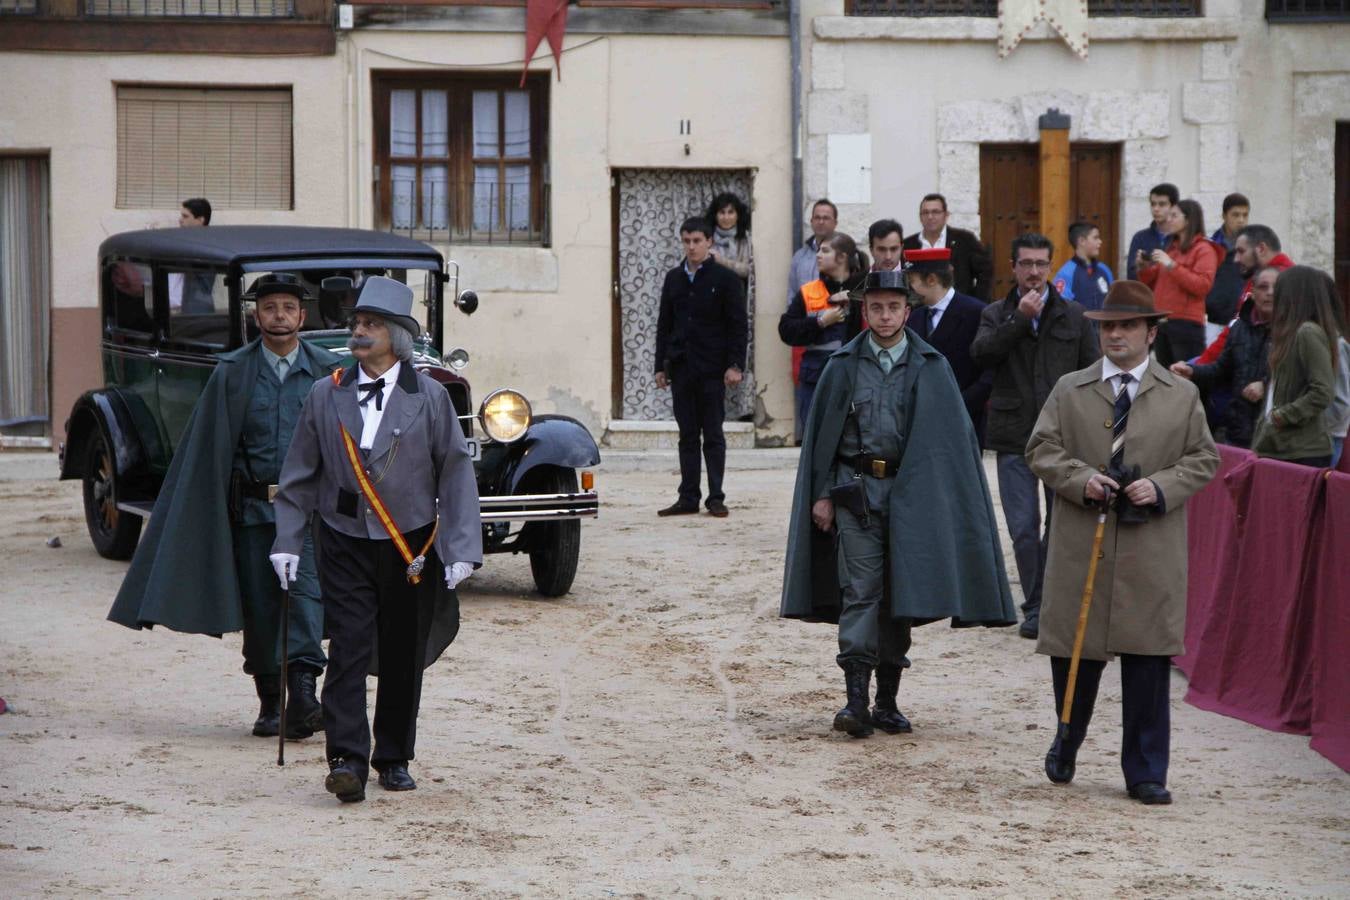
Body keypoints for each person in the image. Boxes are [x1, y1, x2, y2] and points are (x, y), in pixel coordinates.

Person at [271, 276, 481, 803]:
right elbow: (299, 475)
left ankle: (393, 757)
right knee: (347, 646)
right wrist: (288, 542)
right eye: (357, 324)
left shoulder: (430, 396)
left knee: (401, 652)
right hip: (342, 536)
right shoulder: (327, 391)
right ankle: (346, 758)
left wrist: (461, 548)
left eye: (371, 325)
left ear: (398, 336)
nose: (360, 333)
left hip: (408, 544)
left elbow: (455, 472)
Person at [779, 268, 1015, 738]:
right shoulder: (843, 366)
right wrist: (824, 495)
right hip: (857, 493)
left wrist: (938, 502)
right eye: (875, 307)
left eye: (893, 307)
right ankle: (855, 702)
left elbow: (949, 444)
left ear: (908, 311)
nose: (884, 316)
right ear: (863, 311)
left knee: (898, 597)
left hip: (914, 498)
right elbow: (824, 441)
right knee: (860, 591)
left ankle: (888, 700)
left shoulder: (933, 366)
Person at [109, 273, 344, 741]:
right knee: (260, 604)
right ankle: (270, 702)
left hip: (310, 514)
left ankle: (304, 697)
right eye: (270, 307)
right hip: (253, 511)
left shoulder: (329, 372)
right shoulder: (232, 372)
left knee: (305, 599)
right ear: (254, 315)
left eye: (288, 307)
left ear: (303, 315)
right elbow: (210, 449)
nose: (279, 315)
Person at [1028, 280, 1219, 806]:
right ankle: (1067, 738)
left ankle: (1146, 771)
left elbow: (1203, 459)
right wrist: (1079, 478)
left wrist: (1161, 487)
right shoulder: (1070, 388)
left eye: (1127, 326)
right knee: (1075, 651)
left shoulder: (1182, 395)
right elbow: (1040, 448)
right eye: (1108, 326)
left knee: (1148, 659)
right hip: (1081, 539)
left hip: (1150, 545)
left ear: (1151, 332)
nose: (1115, 334)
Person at [970, 233, 1100, 639]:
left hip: (1062, 436)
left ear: (1050, 266)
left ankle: (1048, 605)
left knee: (1058, 527)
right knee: (1023, 528)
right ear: (1013, 267)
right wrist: (1019, 320)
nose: (1033, 272)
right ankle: (1035, 605)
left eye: (1041, 264)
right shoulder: (996, 313)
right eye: (1025, 264)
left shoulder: (1074, 315)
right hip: (1014, 435)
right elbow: (981, 355)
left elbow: (1092, 373)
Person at [655, 217, 748, 517]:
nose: (691, 246)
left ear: (709, 242)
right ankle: (688, 496)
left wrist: (735, 364)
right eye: (686, 241)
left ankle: (716, 496)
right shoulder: (674, 279)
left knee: (713, 433)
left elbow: (737, 326)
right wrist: (661, 365)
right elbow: (664, 324)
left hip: (711, 368)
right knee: (687, 434)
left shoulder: (725, 279)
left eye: (697, 240)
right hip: (682, 367)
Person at [1170, 265, 1276, 448]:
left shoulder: (1294, 330)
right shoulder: (1239, 328)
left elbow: (1305, 382)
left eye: (1276, 288)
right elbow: (1220, 369)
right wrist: (1192, 371)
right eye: (1263, 287)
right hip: (1238, 431)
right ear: (1252, 292)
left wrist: (1265, 385)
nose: (1270, 293)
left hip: (1275, 437)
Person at [779, 232, 869, 442]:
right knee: (816, 441)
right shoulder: (809, 292)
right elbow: (786, 330)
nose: (818, 255)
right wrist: (820, 322)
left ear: (843, 257)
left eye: (825, 250)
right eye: (818, 250)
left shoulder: (865, 291)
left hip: (854, 376)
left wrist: (853, 299)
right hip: (815, 378)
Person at [1250, 266, 1341, 468]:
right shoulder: (1289, 334)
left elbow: (1323, 392)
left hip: (1301, 452)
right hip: (1280, 448)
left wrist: (1282, 416)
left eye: (1280, 290)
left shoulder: (1307, 332)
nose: (1273, 295)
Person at [904, 246, 992, 439]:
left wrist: (962, 402)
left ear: (932, 280)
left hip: (964, 420)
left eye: (913, 282)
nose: (910, 289)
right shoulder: (915, 317)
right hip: (923, 421)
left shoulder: (976, 312)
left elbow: (989, 371)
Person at [1191, 223, 1295, 368]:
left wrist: (1200, 366)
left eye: (1241, 251)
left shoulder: (1276, 281)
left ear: (1261, 249)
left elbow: (1235, 330)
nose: (1236, 259)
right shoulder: (1262, 276)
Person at [1137, 198, 1220, 367]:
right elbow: (1155, 283)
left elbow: (1202, 286)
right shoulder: (1172, 248)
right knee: (1166, 378)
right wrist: (1144, 268)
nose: (1169, 219)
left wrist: (1171, 265)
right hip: (1162, 321)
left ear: (1188, 220)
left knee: (1185, 378)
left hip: (1186, 324)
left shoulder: (1204, 249)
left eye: (1174, 215)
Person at [902, 194, 993, 300]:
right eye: (925, 213)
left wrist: (977, 301)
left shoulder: (965, 240)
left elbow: (985, 271)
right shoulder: (909, 245)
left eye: (935, 212)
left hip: (959, 306)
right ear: (920, 217)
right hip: (921, 308)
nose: (930, 217)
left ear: (946, 215)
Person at [1204, 193, 1250, 343]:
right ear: (1224, 216)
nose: (1241, 220)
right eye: (1235, 215)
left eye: (1245, 215)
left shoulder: (1254, 249)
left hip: (1243, 323)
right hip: (1213, 322)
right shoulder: (1211, 246)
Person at [1052, 221, 1114, 313]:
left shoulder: (1104, 269)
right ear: (1082, 241)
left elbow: (1114, 300)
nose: (1100, 242)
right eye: (1095, 238)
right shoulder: (1066, 273)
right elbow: (1060, 307)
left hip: (1104, 326)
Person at [170, 197, 216, 314]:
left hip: (198, 311)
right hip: (189, 309)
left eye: (185, 216)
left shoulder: (205, 244)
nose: (180, 220)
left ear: (200, 220)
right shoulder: (193, 243)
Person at [789, 199, 837, 305]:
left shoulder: (843, 256)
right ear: (811, 222)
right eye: (817, 217)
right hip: (804, 320)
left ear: (835, 223)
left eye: (826, 218)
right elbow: (792, 293)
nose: (821, 222)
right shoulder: (799, 257)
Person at [1125, 183, 1178, 280]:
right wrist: (1141, 267)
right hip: (1146, 293)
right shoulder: (1140, 237)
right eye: (1153, 204)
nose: (1156, 209)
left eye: (1162, 204)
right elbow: (1131, 277)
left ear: (1173, 207)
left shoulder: (1180, 237)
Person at [705, 192, 753, 285]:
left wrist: (722, 261)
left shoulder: (744, 238)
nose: (726, 217)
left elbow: (747, 270)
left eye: (730, 212)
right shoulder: (706, 236)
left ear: (738, 215)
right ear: (715, 215)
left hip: (736, 291)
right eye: (722, 212)